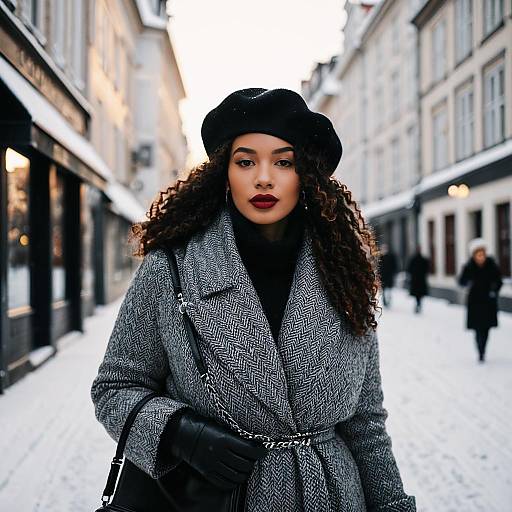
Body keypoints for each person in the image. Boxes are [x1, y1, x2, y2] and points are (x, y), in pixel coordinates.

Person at [91, 88, 416, 511]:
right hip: (220, 498)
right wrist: (180, 434)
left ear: (307, 174)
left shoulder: (345, 275)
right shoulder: (171, 269)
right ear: (224, 173)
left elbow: (365, 421)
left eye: (284, 161)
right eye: (246, 162)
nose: (264, 177)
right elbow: (115, 387)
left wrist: (392, 504)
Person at [458, 238, 502, 363]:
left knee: (486, 328)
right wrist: (467, 282)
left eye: (482, 254)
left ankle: (483, 348)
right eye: (478, 254)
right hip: (475, 301)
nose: (480, 257)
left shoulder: (492, 265)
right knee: (477, 328)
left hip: (488, 301)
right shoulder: (469, 266)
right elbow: (461, 281)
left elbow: (498, 281)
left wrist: (494, 290)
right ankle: (480, 350)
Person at [406, 245, 430, 313]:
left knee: (418, 294)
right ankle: (418, 304)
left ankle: (418, 304)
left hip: (416, 280)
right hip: (420, 280)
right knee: (419, 294)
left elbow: (409, 269)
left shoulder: (415, 259)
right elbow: (426, 269)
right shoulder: (422, 259)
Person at [379, 243, 398, 308]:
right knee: (383, 289)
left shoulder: (391, 256)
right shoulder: (380, 256)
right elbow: (378, 266)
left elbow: (394, 265)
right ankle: (384, 300)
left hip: (389, 275)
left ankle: (388, 299)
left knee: (389, 288)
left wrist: (393, 273)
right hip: (383, 275)